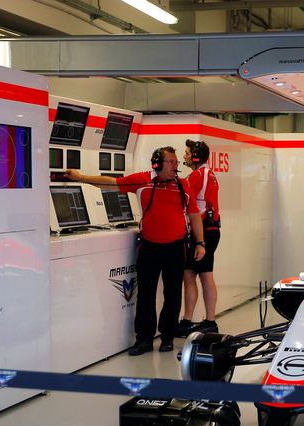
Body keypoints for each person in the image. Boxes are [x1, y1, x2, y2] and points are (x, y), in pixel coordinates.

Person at [66, 147, 206, 356]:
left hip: (176, 248)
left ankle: (167, 336)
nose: (176, 167)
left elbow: (194, 215)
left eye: (177, 163)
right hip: (149, 247)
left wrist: (200, 243)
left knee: (173, 293)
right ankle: (144, 339)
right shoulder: (142, 181)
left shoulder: (183, 184)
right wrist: (79, 177)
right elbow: (109, 183)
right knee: (146, 295)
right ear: (157, 163)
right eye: (171, 162)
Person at [176, 140, 222, 337]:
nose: (184, 157)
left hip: (202, 231)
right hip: (208, 229)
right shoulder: (207, 174)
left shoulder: (197, 176)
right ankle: (190, 320)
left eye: (186, 153)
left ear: (195, 156)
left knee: (202, 275)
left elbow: (183, 199)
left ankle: (207, 322)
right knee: (192, 274)